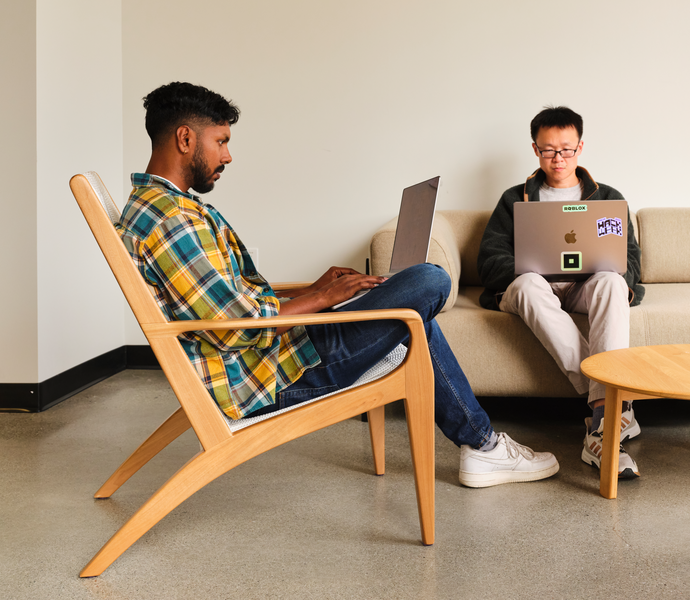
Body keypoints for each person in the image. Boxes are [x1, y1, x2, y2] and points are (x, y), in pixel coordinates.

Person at [118, 81, 559, 489]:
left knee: (410, 313)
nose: (227, 156)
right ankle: (483, 446)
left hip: (279, 352)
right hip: (272, 373)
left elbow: (227, 300)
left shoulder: (165, 209)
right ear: (185, 139)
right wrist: (321, 298)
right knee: (428, 281)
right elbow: (234, 325)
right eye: (222, 142)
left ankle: (482, 446)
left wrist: (310, 290)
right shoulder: (170, 219)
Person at [477, 106, 645, 478]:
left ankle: (604, 412)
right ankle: (612, 406)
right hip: (537, 286)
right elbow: (489, 260)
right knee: (527, 284)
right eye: (549, 150)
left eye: (566, 150)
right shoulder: (514, 199)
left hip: (585, 286)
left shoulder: (608, 198)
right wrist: (530, 266)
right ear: (535, 150)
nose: (558, 159)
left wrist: (613, 269)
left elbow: (629, 258)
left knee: (612, 281)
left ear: (580, 148)